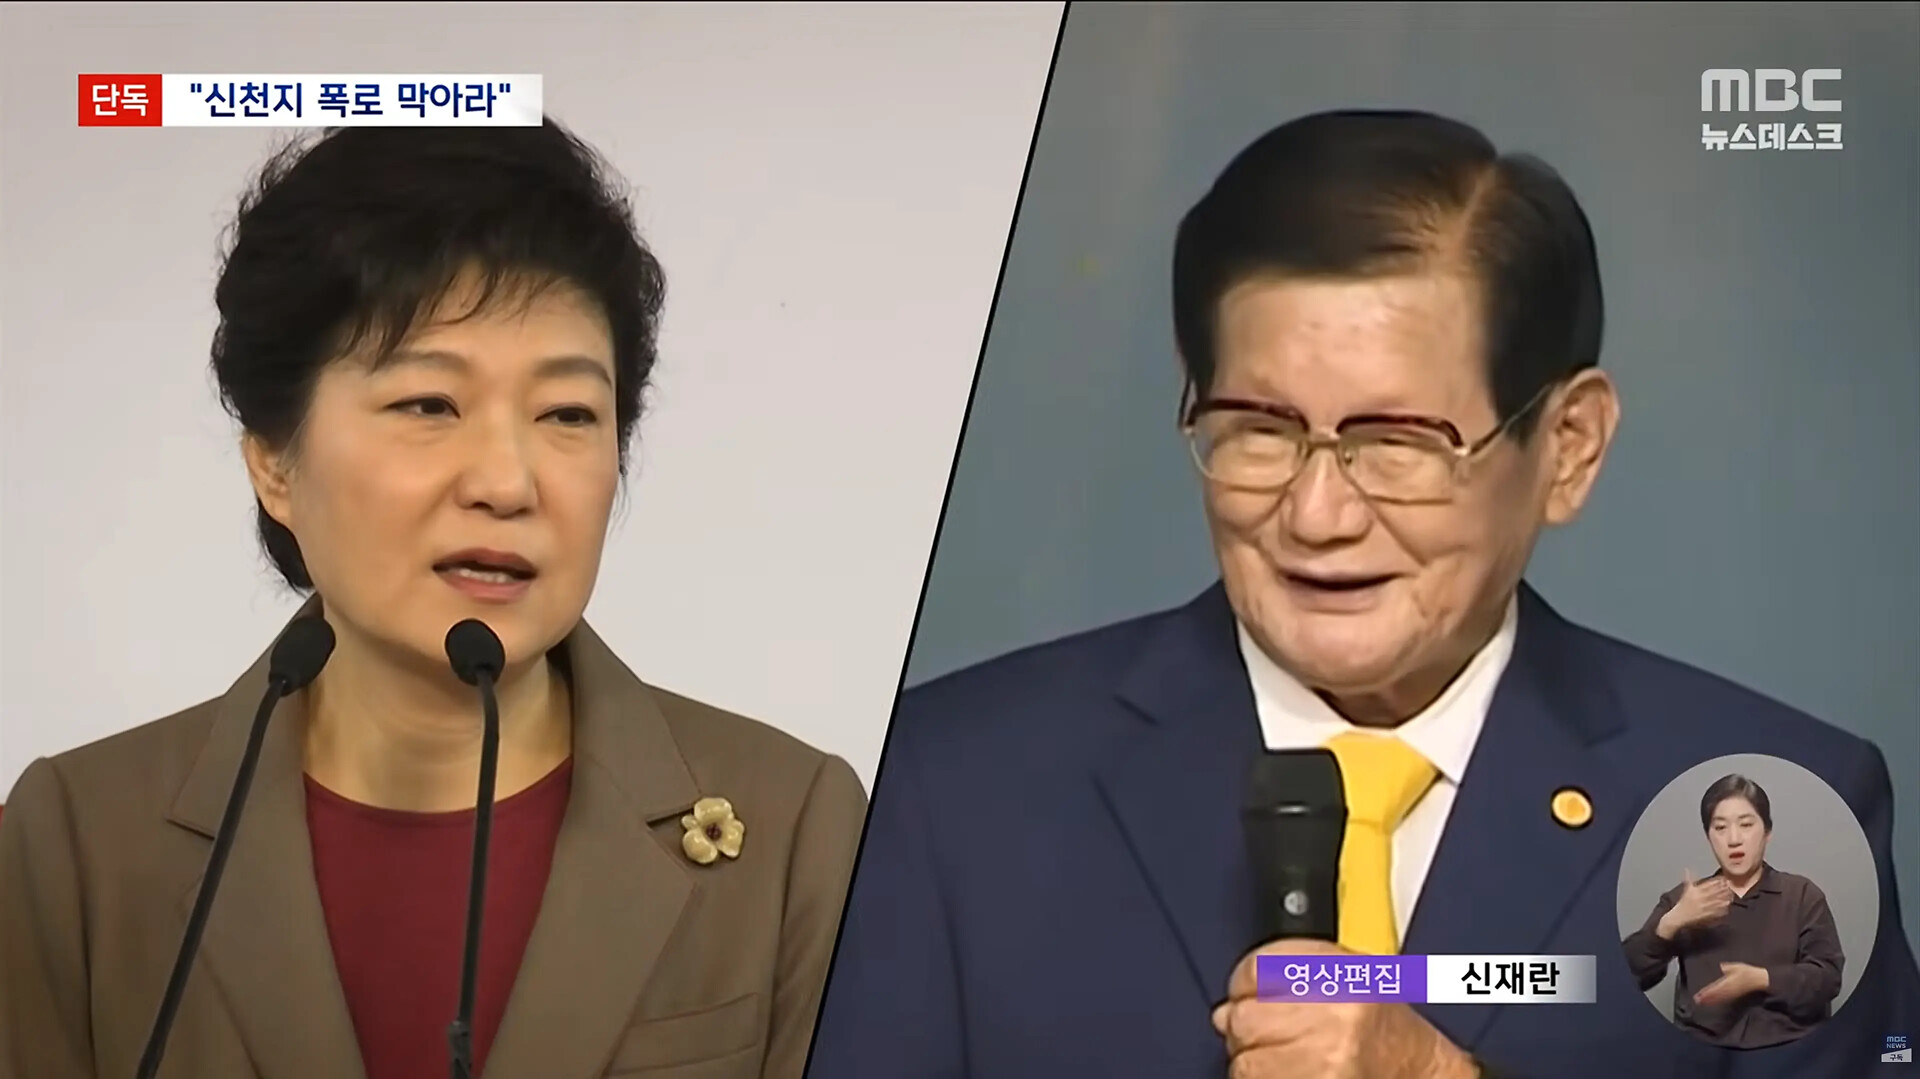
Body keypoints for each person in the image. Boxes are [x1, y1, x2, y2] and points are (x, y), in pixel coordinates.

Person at [804, 110, 1920, 1079]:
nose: (1318, 513)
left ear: (1568, 446)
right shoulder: (950, 785)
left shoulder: (1777, 808)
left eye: (1399, 441)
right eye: (1258, 429)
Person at [0, 119, 866, 1079]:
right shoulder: (74, 845)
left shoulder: (796, 832)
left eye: (568, 413)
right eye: (428, 404)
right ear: (275, 461)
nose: (507, 481)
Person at [1622, 774, 1846, 1049]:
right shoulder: (1684, 900)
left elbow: (1828, 980)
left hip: (1791, 1052)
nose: (1734, 839)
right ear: (1709, 837)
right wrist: (1670, 925)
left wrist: (1761, 979)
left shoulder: (1803, 895)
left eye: (1746, 824)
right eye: (1720, 827)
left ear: (1767, 832)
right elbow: (1628, 975)